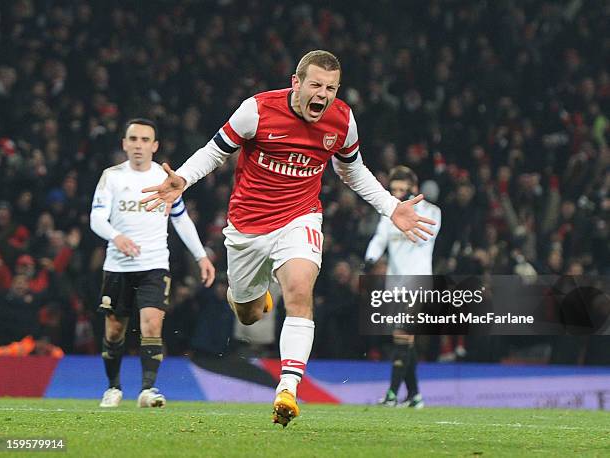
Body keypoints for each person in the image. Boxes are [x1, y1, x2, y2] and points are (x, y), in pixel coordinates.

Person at [141, 50, 436, 426]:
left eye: (330, 88)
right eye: (315, 84)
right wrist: (182, 177)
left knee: (299, 291)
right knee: (248, 314)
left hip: (300, 218)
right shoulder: (257, 111)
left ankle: (288, 389)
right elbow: (215, 152)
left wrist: (391, 207)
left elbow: (353, 172)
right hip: (248, 226)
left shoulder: (342, 121)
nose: (323, 94)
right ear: (296, 83)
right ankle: (245, 295)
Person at [90, 118, 215, 408]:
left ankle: (148, 389)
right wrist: (116, 236)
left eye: (145, 140)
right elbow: (96, 218)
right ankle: (113, 388)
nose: (139, 145)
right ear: (124, 143)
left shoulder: (164, 179)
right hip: (118, 265)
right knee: (114, 330)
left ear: (155, 146)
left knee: (152, 323)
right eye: (133, 139)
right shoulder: (112, 177)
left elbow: (181, 218)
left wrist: (201, 257)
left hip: (154, 264)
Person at [365, 166, 441, 408]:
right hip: (394, 283)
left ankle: (391, 395)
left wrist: (407, 219)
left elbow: (426, 237)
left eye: (401, 189)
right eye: (393, 189)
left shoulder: (432, 212)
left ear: (414, 189)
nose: (396, 194)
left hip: (417, 281)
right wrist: (370, 259)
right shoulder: (389, 214)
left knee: (402, 334)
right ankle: (415, 395)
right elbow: (379, 239)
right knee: (405, 341)